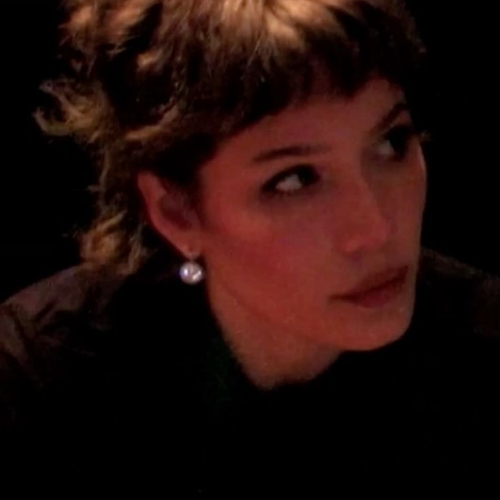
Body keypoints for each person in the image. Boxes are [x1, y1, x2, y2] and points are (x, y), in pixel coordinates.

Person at [1, 0, 499, 496]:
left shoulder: (481, 346)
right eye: (295, 179)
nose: (376, 228)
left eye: (391, 143)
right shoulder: (38, 380)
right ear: (177, 211)